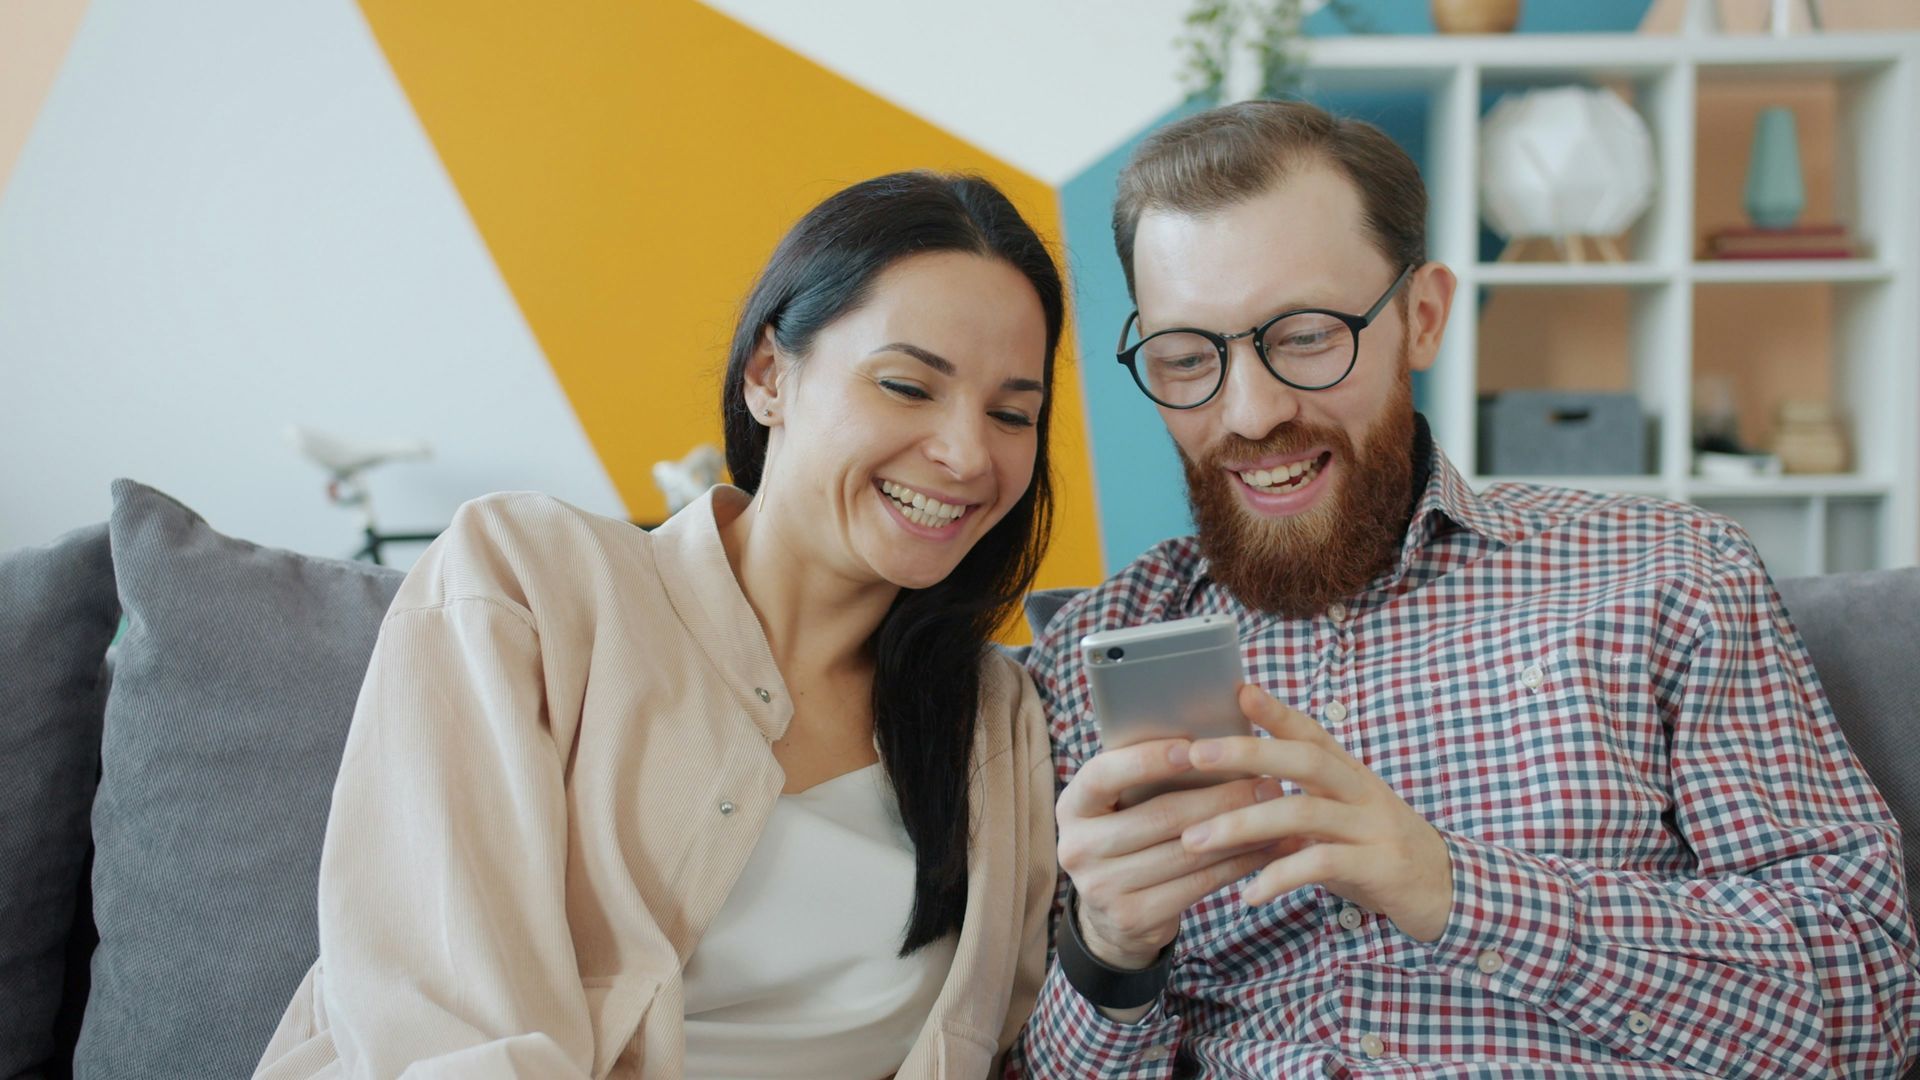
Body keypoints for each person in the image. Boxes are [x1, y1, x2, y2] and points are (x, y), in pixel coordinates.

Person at [1005, 100, 1920, 1077]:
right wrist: (1108, 955)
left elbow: (1864, 1003)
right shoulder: (1099, 649)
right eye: (1189, 357)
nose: (1251, 410)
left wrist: (1453, 886)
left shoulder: (1668, 572)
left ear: (1423, 316)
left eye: (1307, 336)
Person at [254, 170, 1064, 1079]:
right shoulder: (527, 579)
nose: (966, 454)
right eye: (909, 386)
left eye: (1011, 414)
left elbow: (1006, 1039)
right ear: (769, 376)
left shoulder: (997, 722)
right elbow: (445, 1027)